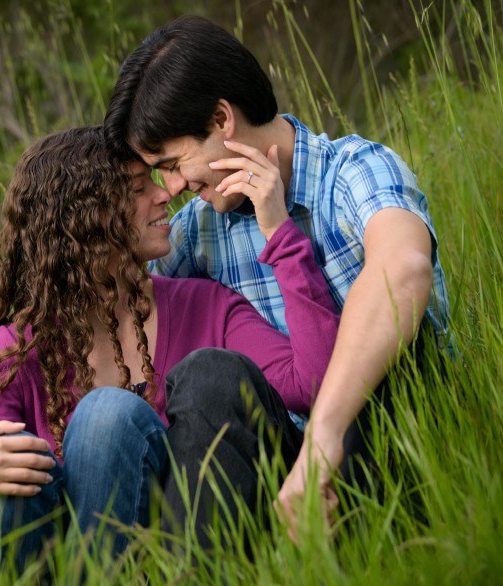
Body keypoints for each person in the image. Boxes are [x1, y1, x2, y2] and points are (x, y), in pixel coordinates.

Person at [0, 125, 340, 579]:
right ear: (85, 218)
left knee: (109, 415)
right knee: (12, 476)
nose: (165, 196)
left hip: (171, 558)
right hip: (50, 565)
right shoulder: (19, 352)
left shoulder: (204, 306)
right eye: (140, 189)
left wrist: (281, 234)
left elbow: (314, 383)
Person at [103, 15, 451, 542]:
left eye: (174, 163)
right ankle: (195, 579)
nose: (170, 187)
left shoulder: (357, 170)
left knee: (391, 343)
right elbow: (115, 310)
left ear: (222, 118)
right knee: (207, 376)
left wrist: (324, 439)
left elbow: (404, 270)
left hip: (394, 438)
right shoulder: (199, 228)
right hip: (282, 467)